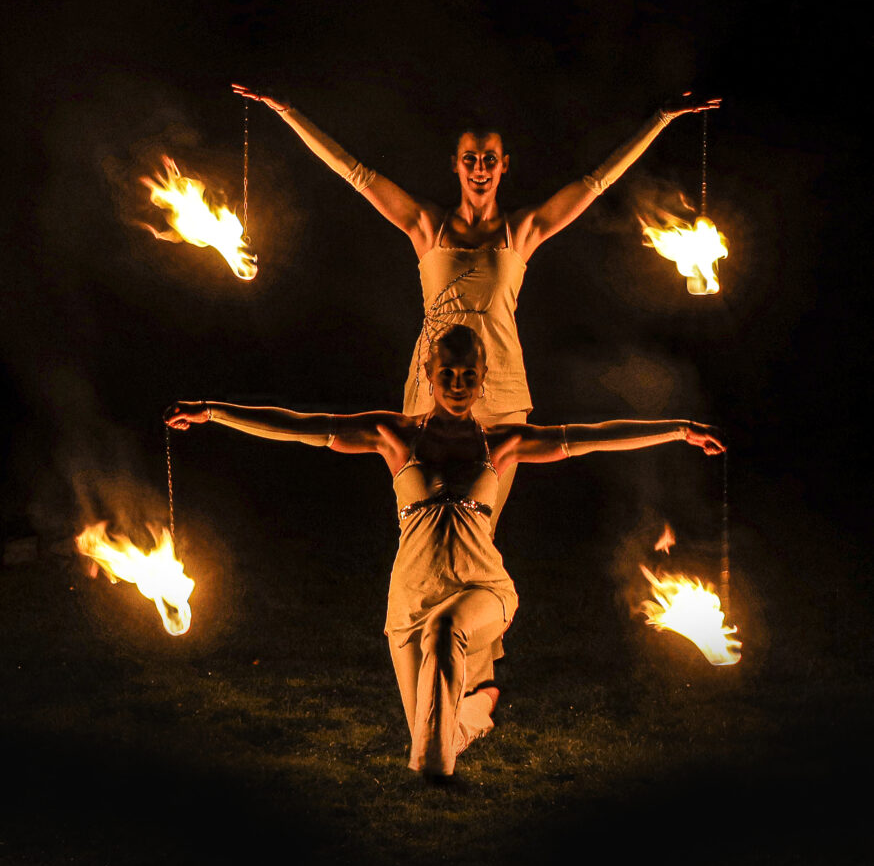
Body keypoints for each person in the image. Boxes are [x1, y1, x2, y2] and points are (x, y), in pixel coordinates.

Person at [165, 326, 724, 782]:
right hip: (409, 602)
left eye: (468, 376)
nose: (457, 384)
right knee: (434, 724)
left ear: (483, 382)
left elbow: (590, 435)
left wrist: (677, 430)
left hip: (482, 590)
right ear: (429, 378)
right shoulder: (395, 437)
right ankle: (475, 716)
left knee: (445, 642)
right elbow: (299, 427)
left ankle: (432, 784)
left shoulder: (502, 444)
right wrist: (214, 410)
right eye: (447, 375)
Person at [231, 82, 720, 534]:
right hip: (432, 384)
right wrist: (287, 111)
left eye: (490, 158)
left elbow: (596, 183)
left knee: (477, 526)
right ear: (456, 164)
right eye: (471, 158)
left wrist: (661, 118)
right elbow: (354, 172)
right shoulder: (426, 227)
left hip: (501, 389)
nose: (480, 168)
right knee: (421, 521)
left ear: (504, 164)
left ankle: (479, 623)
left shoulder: (523, 230)